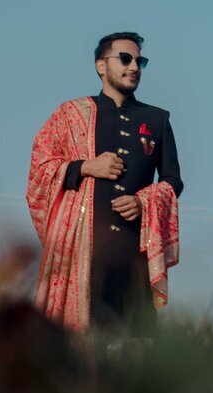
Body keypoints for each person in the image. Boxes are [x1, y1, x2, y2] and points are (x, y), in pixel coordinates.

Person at [26, 32, 182, 333]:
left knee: (132, 350)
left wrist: (143, 201)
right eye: (125, 58)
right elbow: (40, 168)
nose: (134, 66)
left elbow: (173, 180)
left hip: (133, 256)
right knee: (76, 348)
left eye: (140, 61)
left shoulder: (158, 119)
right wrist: (85, 166)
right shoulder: (70, 115)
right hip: (81, 257)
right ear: (101, 66)